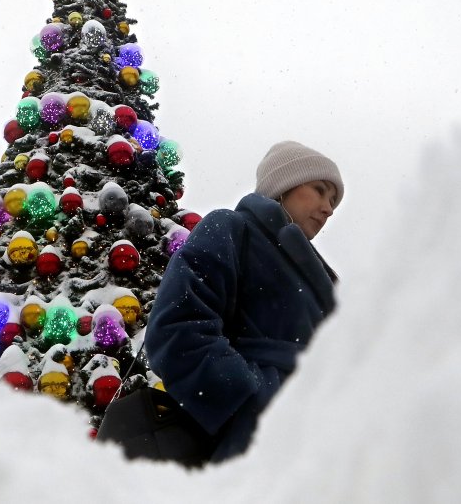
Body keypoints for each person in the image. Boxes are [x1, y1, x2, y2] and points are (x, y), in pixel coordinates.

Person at [145, 140, 344, 464]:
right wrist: (253, 400)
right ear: (284, 185)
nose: (329, 207)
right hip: (257, 443)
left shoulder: (327, 279)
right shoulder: (232, 229)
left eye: (333, 199)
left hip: (322, 445)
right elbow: (178, 329)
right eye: (320, 189)